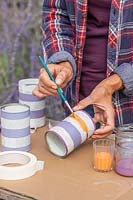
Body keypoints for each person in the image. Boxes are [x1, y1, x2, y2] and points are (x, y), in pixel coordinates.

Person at [33, 0, 133, 139]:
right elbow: (57, 13)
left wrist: (111, 85)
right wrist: (62, 61)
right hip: (82, 106)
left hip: (128, 109)